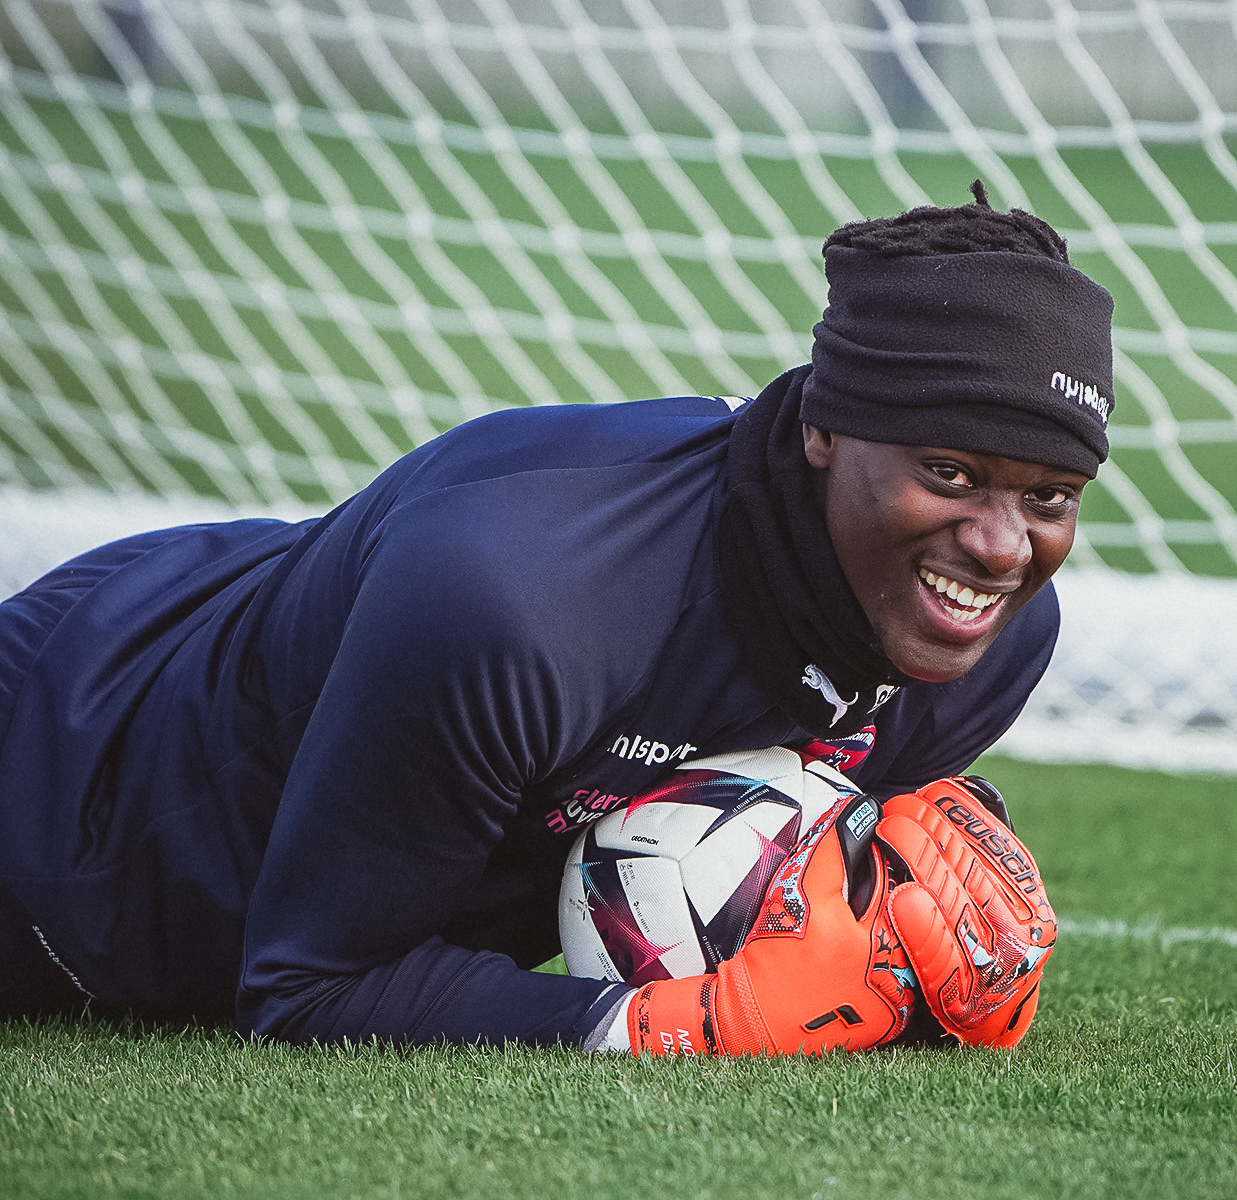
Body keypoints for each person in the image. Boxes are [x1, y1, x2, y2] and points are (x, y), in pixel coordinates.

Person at [0, 183, 1114, 1054]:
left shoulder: (990, 638)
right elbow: (308, 986)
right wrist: (685, 1025)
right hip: (62, 775)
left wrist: (891, 955)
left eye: (1047, 497)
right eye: (949, 472)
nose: (1001, 548)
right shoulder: (523, 602)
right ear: (824, 426)